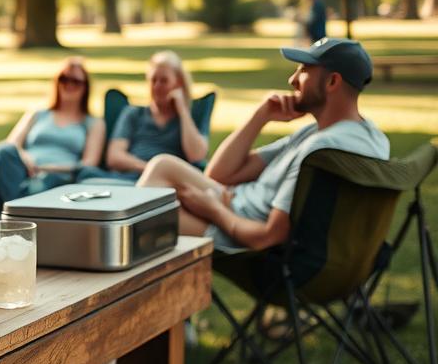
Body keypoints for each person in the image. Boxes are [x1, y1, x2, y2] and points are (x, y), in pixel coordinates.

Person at [137, 38, 388, 252]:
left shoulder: (323, 149)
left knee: (139, 222)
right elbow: (221, 174)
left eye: (304, 70)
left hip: (237, 229)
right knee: (162, 167)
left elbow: (270, 237)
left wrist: (213, 210)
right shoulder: (362, 136)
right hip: (232, 203)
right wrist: (262, 115)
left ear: (332, 82)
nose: (292, 79)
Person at [0, 57, 105, 213]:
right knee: (3, 150)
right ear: (56, 82)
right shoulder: (38, 113)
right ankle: (20, 211)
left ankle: (9, 212)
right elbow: (12, 142)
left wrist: (49, 168)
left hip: (59, 177)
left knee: (38, 184)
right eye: (64, 79)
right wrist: (25, 157)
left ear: (85, 87)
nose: (69, 84)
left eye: (76, 81)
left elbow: (89, 163)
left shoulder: (93, 122)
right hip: (24, 169)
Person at [78, 50, 208, 184]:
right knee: (87, 174)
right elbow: (114, 157)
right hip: (128, 179)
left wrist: (182, 110)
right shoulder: (133, 113)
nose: (157, 86)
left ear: (178, 83)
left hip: (165, 185)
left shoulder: (189, 120)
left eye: (164, 81)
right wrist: (152, 169)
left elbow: (196, 156)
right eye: (153, 80)